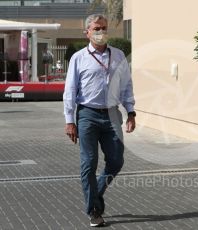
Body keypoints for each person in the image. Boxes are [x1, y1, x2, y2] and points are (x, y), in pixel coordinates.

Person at [63, 14, 136, 227]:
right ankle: (94, 210)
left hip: (113, 114)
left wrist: (131, 112)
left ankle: (96, 194)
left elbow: (126, 87)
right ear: (87, 32)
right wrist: (70, 121)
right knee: (89, 163)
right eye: (96, 29)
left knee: (116, 160)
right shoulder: (78, 58)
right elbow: (70, 91)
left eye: (103, 28)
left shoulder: (119, 55)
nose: (101, 32)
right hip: (87, 114)